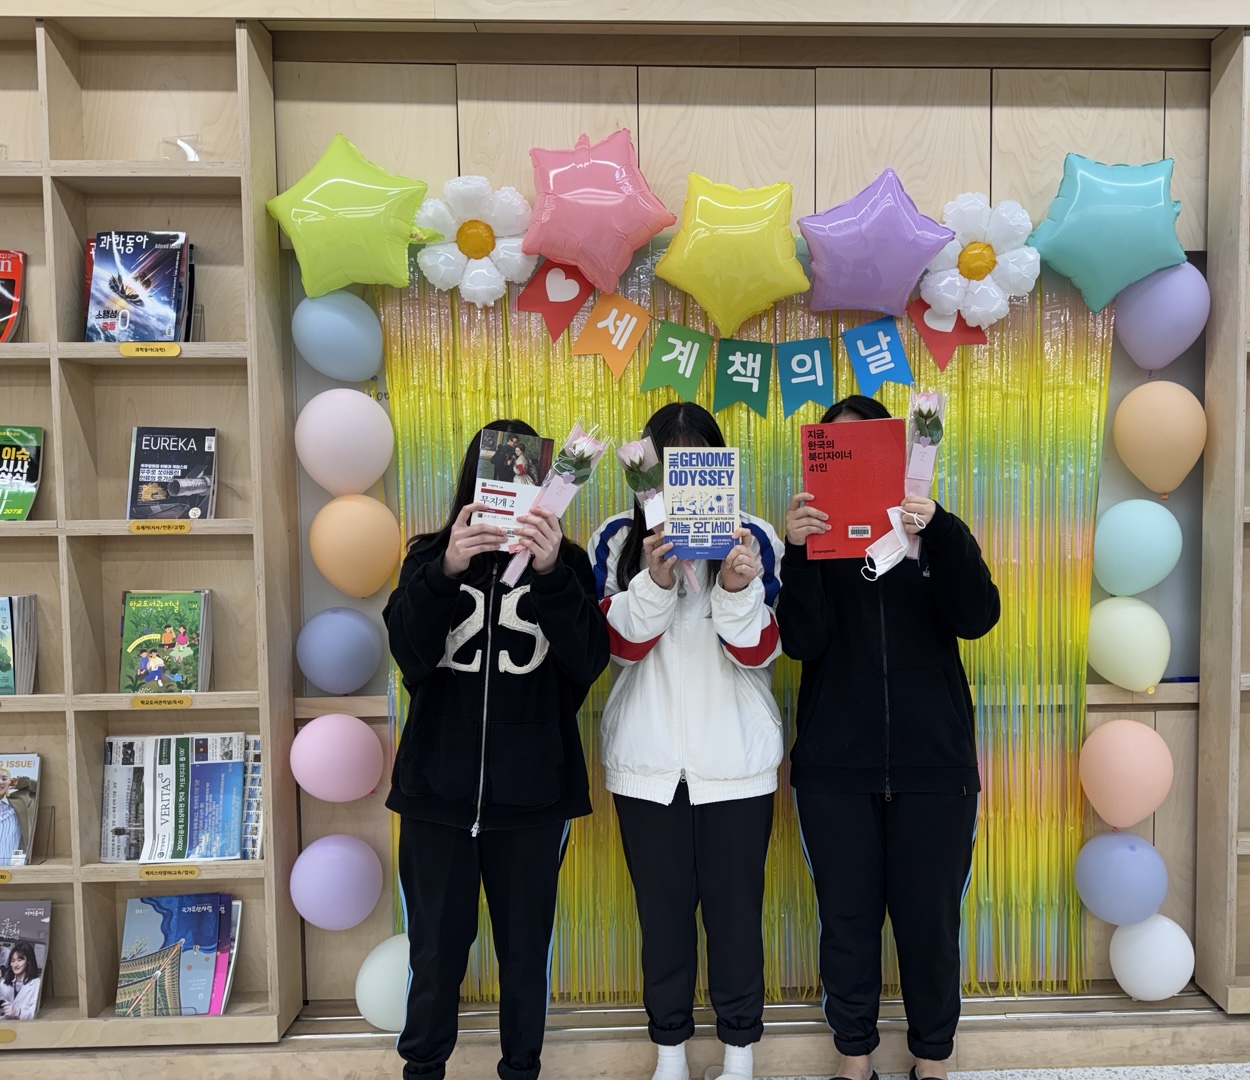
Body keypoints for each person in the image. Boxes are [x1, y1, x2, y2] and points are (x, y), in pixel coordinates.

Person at [776, 395, 1000, 1080]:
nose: (853, 460)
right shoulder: (815, 542)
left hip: (935, 767)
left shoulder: (933, 531)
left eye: (868, 446)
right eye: (837, 450)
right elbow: (802, 640)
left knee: (930, 925)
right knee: (846, 924)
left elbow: (977, 617)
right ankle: (854, 1059)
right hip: (835, 770)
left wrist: (941, 531)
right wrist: (798, 553)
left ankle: (933, 1059)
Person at [383, 419, 610, 1080]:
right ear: (474, 478)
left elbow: (588, 661)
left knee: (525, 956)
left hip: (532, 800)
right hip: (435, 798)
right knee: (434, 954)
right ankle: (423, 1070)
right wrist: (445, 571)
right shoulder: (429, 556)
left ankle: (522, 1069)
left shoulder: (568, 565)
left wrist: (550, 573)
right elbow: (409, 656)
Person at [588, 402, 784, 1080]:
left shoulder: (753, 536)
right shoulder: (618, 537)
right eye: (666, 463)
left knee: (736, 917)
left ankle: (739, 1053)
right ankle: (669, 1051)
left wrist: (734, 585)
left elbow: (761, 650)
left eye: (695, 459)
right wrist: (657, 578)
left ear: (718, 465)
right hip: (645, 767)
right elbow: (616, 648)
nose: (681, 476)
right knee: (662, 918)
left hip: (736, 764)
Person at [0, 942, 42, 1020]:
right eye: (12, 961)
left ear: (28, 961)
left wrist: (18, 1012)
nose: (15, 965)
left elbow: (36, 1015)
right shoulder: (3, 983)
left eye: (19, 960)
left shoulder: (37, 984)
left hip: (25, 1026)